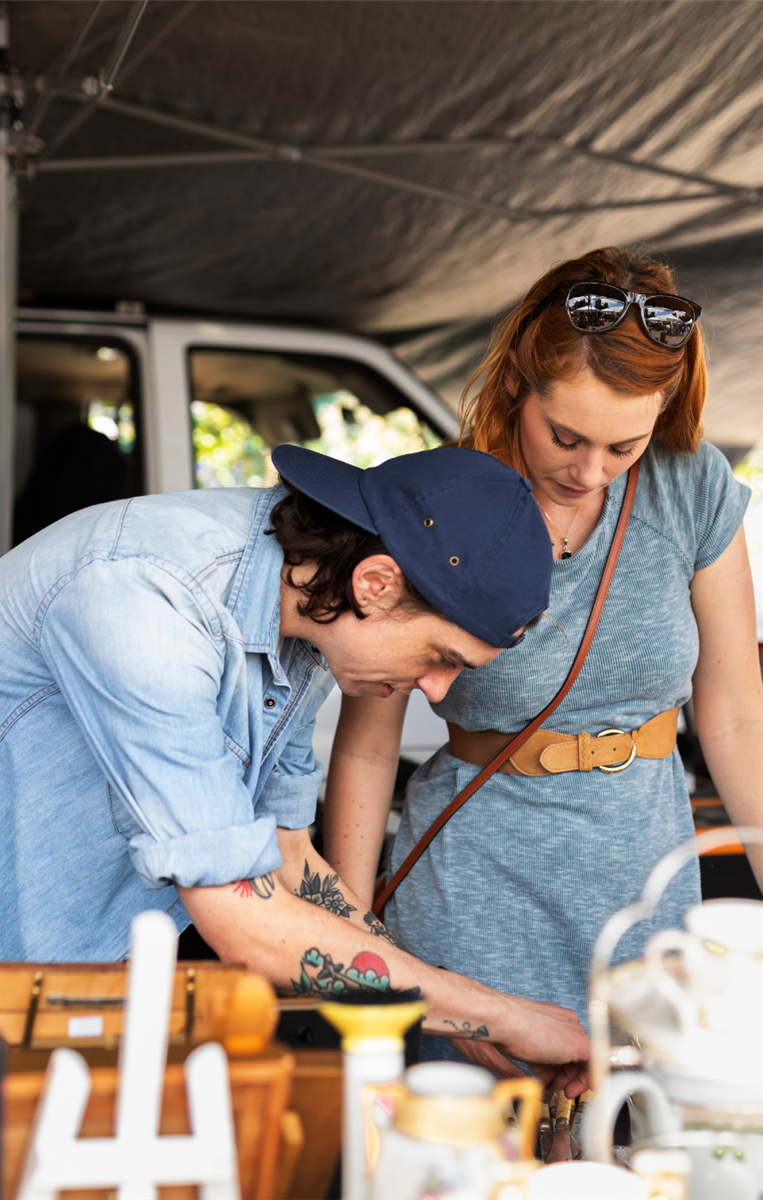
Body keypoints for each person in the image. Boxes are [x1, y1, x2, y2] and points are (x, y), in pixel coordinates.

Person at [0, 442, 590, 1092]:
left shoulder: (309, 613)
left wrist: (454, 1013)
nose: (439, 689)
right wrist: (495, 1011)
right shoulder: (143, 600)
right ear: (376, 583)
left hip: (63, 984)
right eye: (441, 656)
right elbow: (246, 922)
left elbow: (285, 857)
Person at [324, 247, 762, 1077]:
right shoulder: (442, 500)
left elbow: (739, 716)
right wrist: (350, 947)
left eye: (624, 447)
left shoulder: (694, 486)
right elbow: (368, 742)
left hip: (645, 890)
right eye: (565, 436)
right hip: (476, 891)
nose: (589, 471)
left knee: (641, 1146)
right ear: (518, 381)